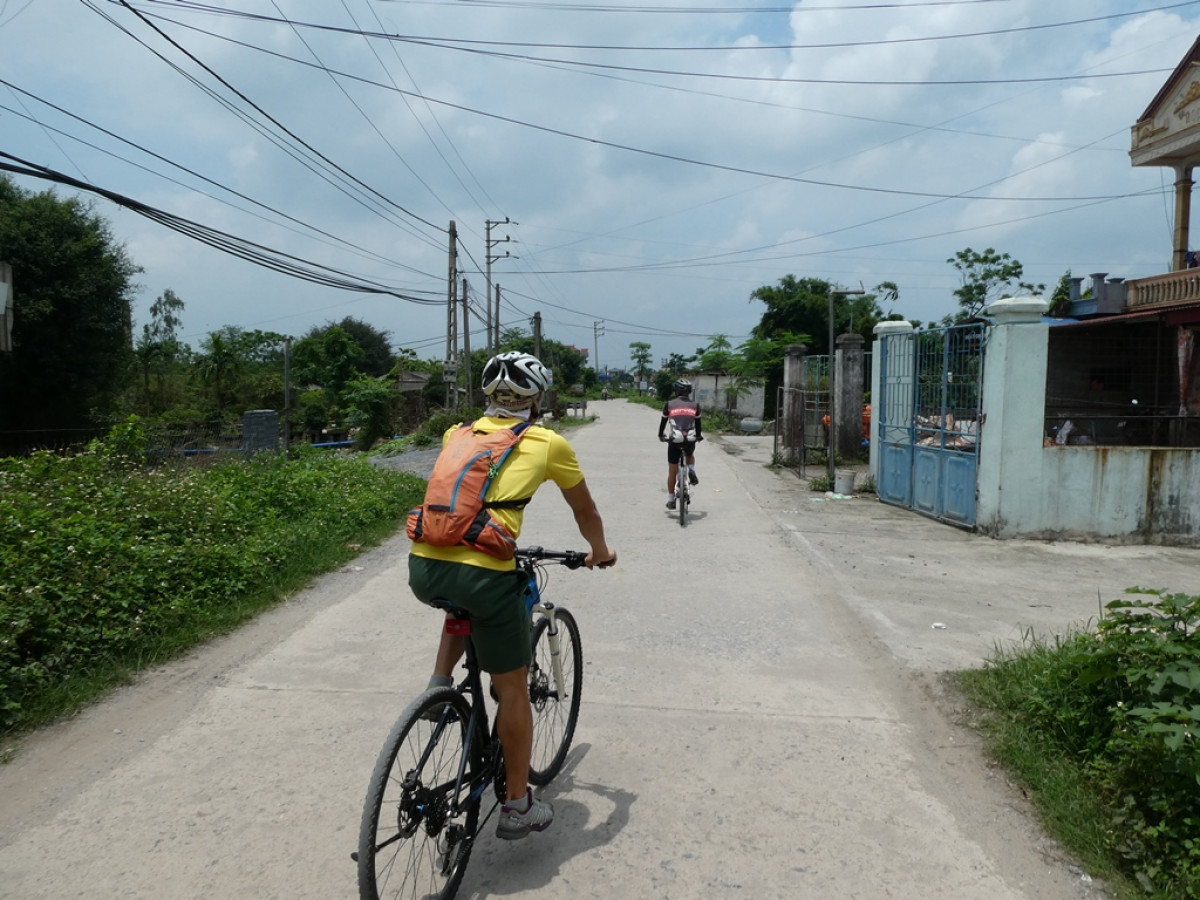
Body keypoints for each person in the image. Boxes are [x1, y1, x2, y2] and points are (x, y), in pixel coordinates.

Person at [408, 350, 617, 841]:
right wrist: (599, 551)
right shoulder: (548, 443)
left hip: (423, 567)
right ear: (536, 398)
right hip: (484, 577)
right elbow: (585, 511)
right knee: (512, 690)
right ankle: (519, 805)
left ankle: (439, 687)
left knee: (461, 600)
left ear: (487, 395)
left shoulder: (456, 434)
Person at [658, 378, 702, 509]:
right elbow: (698, 425)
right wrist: (698, 436)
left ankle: (671, 498)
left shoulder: (669, 404)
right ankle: (691, 469)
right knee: (690, 454)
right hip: (689, 439)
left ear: (676, 391)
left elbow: (663, 422)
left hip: (675, 439)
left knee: (672, 472)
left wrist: (661, 435)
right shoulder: (695, 405)